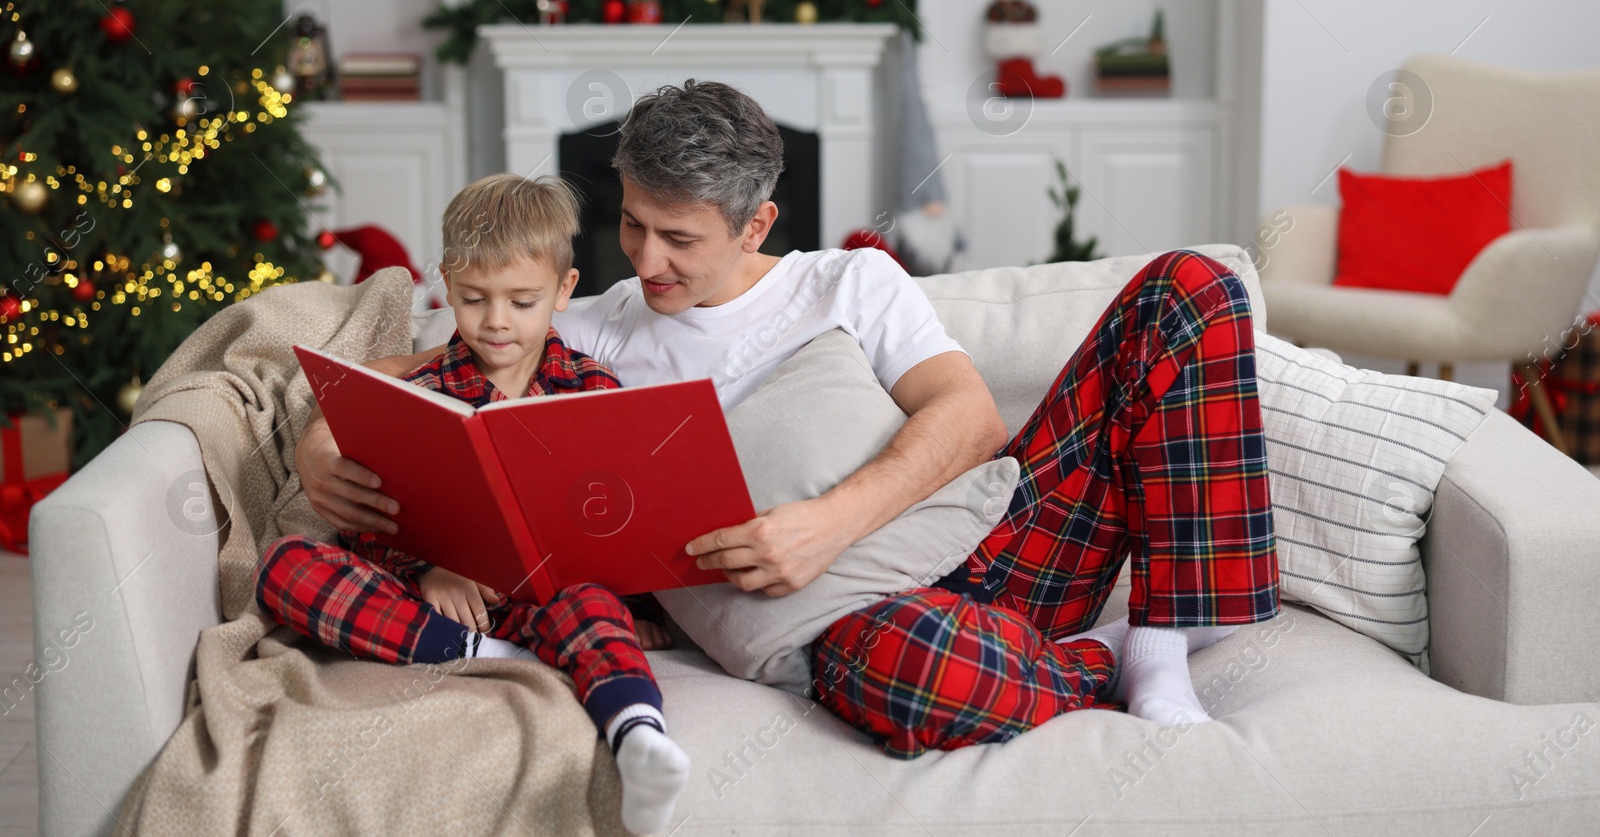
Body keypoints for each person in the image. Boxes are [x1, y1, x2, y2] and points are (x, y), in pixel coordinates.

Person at [294, 80, 1280, 760]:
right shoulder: (590, 325)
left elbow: (969, 417)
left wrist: (828, 521)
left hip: (999, 548)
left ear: (757, 223)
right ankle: (1081, 661)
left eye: (679, 238)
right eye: (632, 222)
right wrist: (320, 435)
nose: (644, 258)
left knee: (1190, 285)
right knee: (920, 675)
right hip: (859, 620)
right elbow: (404, 362)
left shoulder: (849, 281)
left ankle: (1157, 637)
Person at [256, 174, 688, 834]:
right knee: (288, 567)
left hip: (555, 598)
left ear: (564, 292)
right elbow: (374, 518)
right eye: (473, 298)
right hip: (442, 604)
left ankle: (638, 734)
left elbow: (620, 516)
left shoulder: (591, 388)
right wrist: (432, 570)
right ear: (447, 284)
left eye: (521, 301)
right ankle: (487, 653)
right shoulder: (418, 390)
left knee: (595, 608)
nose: (496, 321)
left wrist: (636, 608)